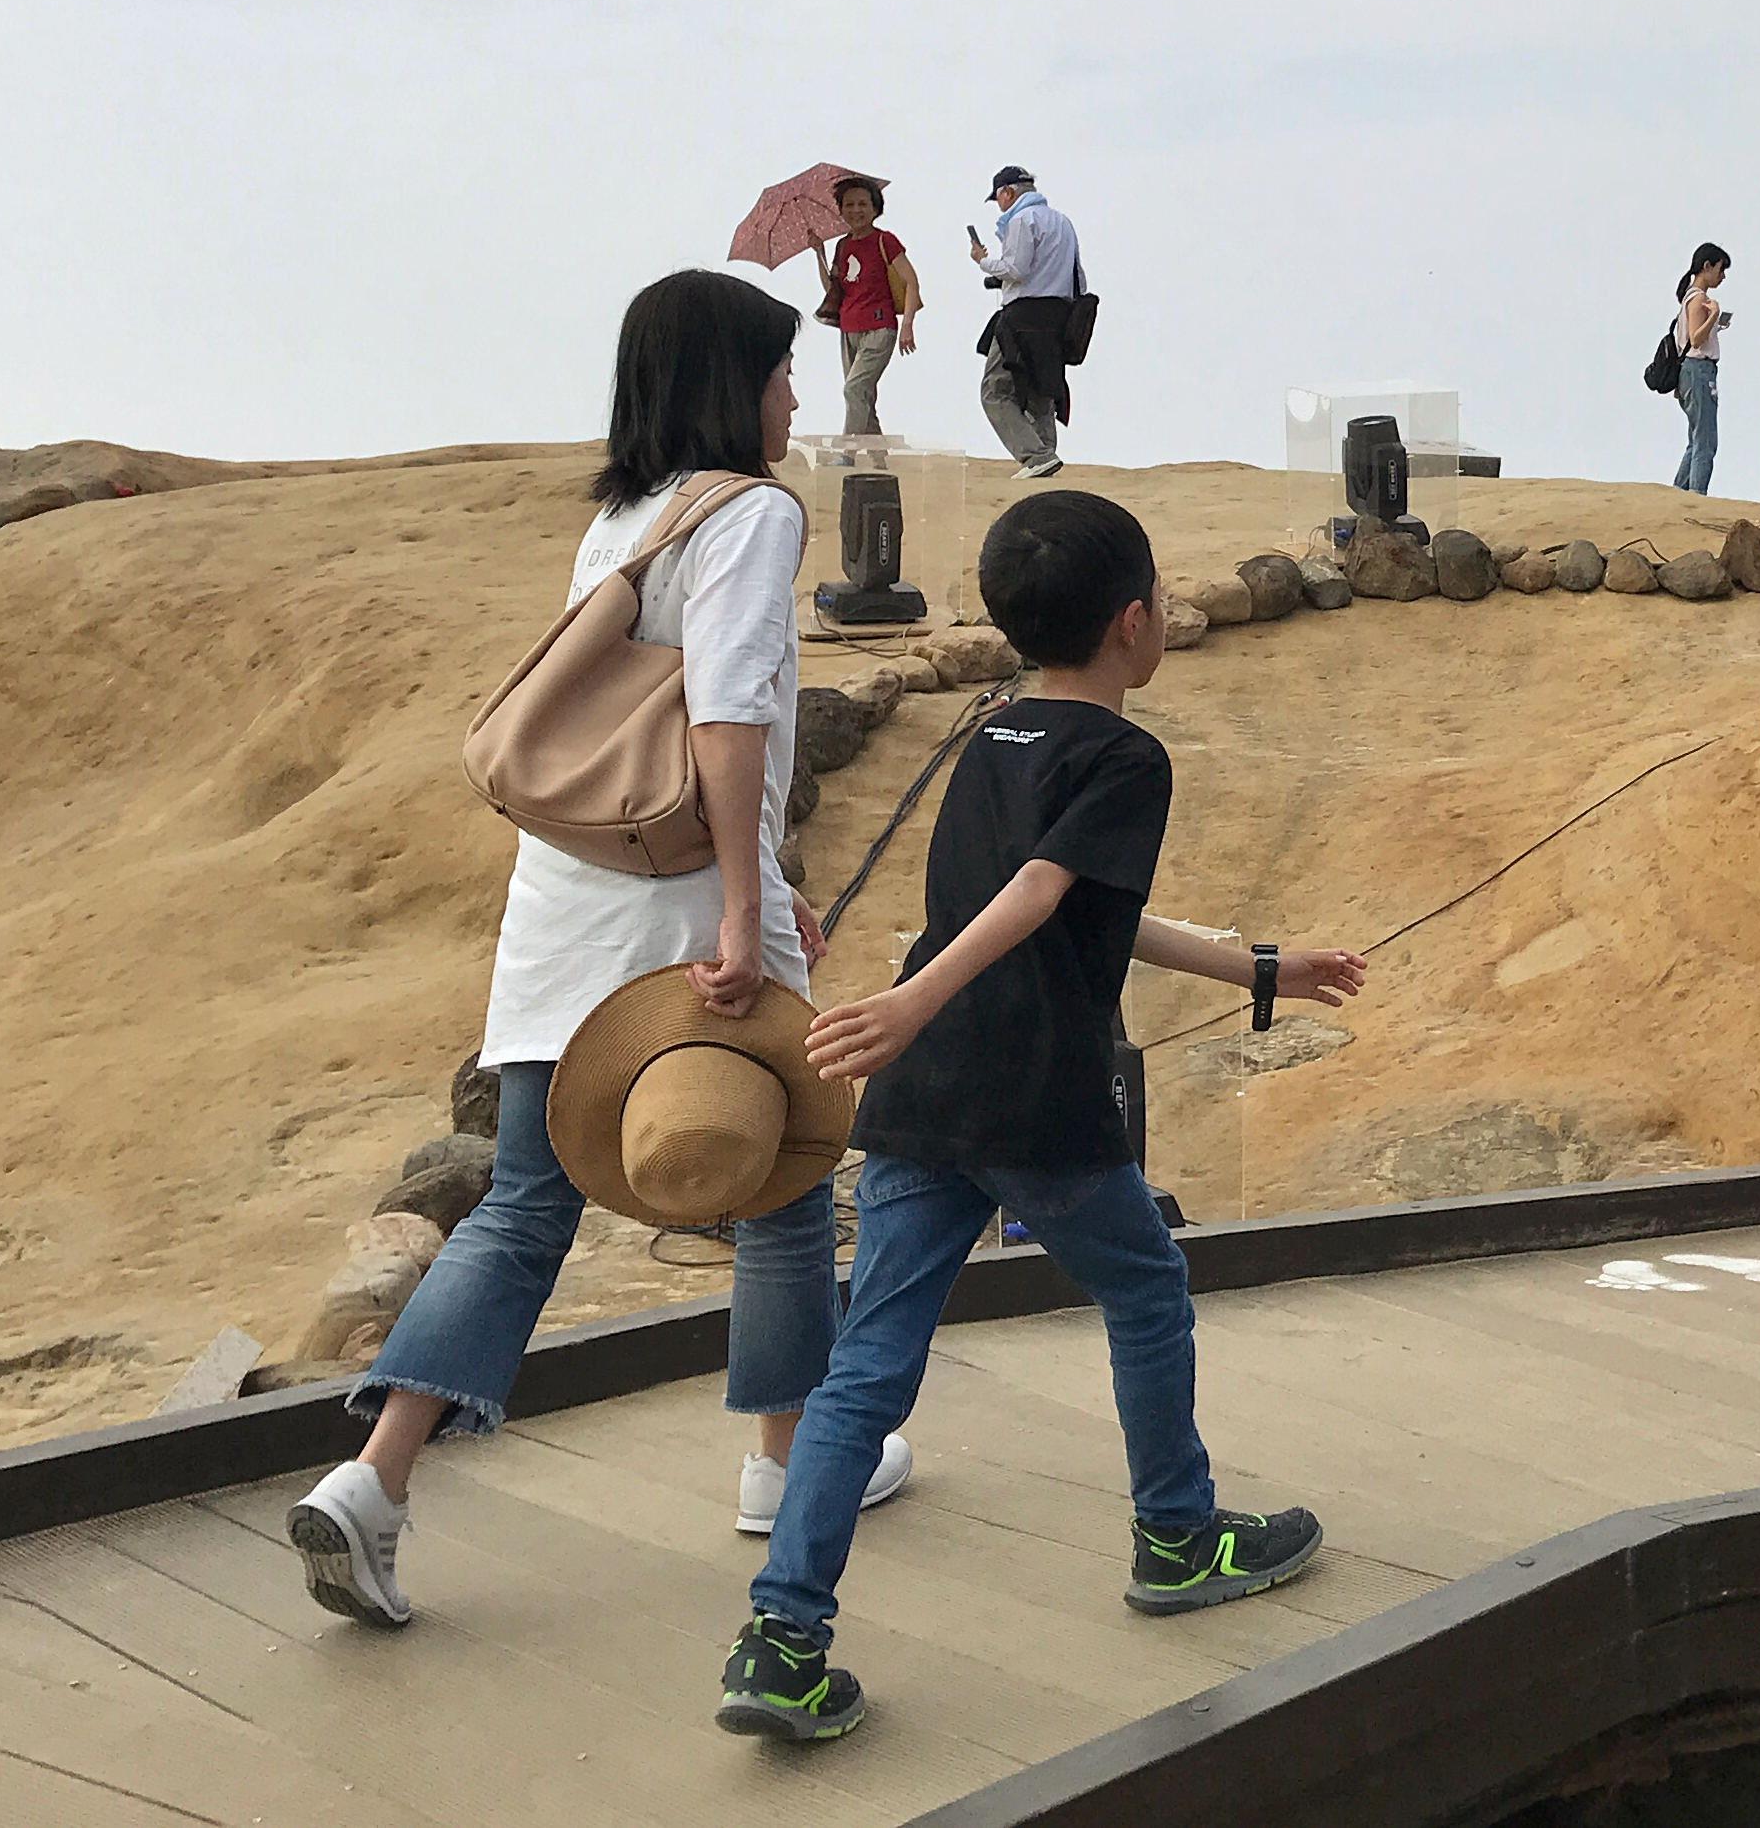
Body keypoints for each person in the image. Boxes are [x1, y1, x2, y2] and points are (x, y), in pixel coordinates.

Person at [286, 269, 914, 1630]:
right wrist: (749, 910)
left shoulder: (621, 525)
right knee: (788, 1179)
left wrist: (770, 889)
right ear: (724, 384)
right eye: (777, 372)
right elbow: (729, 718)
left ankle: (371, 1478)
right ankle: (784, 1461)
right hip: (684, 912)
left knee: (521, 1202)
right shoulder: (750, 513)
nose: (793, 397)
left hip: (561, 911)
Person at [715, 488, 1371, 1742]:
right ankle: (1176, 1535)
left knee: (867, 1363)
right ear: (1135, 623)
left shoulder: (992, 736)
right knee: (1148, 1289)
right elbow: (1030, 893)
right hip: (1034, 1091)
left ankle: (780, 1634)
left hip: (929, 1099)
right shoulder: (1126, 755)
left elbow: (1077, 908)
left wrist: (1259, 969)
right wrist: (905, 1001)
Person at [967, 165, 1082, 480]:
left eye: (998, 198)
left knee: (994, 390)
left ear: (1007, 192)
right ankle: (1046, 459)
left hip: (1023, 316)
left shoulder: (1022, 220)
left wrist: (983, 261)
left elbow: (1016, 269)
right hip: (1058, 314)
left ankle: (1036, 457)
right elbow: (1077, 278)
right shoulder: (1063, 222)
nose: (999, 205)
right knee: (1040, 391)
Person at [820, 177, 916, 439]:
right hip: (849, 327)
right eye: (849, 204)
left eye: (863, 203)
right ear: (840, 210)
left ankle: (847, 452)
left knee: (854, 389)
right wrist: (818, 252)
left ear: (875, 208)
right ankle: (879, 459)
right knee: (862, 394)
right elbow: (833, 289)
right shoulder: (842, 245)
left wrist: (907, 325)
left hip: (879, 325)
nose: (856, 210)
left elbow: (911, 281)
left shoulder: (885, 241)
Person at [1670, 243, 1731, 494]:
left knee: (1696, 439)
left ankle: (1678, 494)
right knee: (1705, 440)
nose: (1722, 276)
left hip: (1691, 371)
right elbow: (1696, 340)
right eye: (1720, 269)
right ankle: (1696, 496)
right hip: (1699, 370)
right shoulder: (1698, 298)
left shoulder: (1690, 297)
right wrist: (1714, 316)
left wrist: (1715, 325)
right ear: (1707, 266)